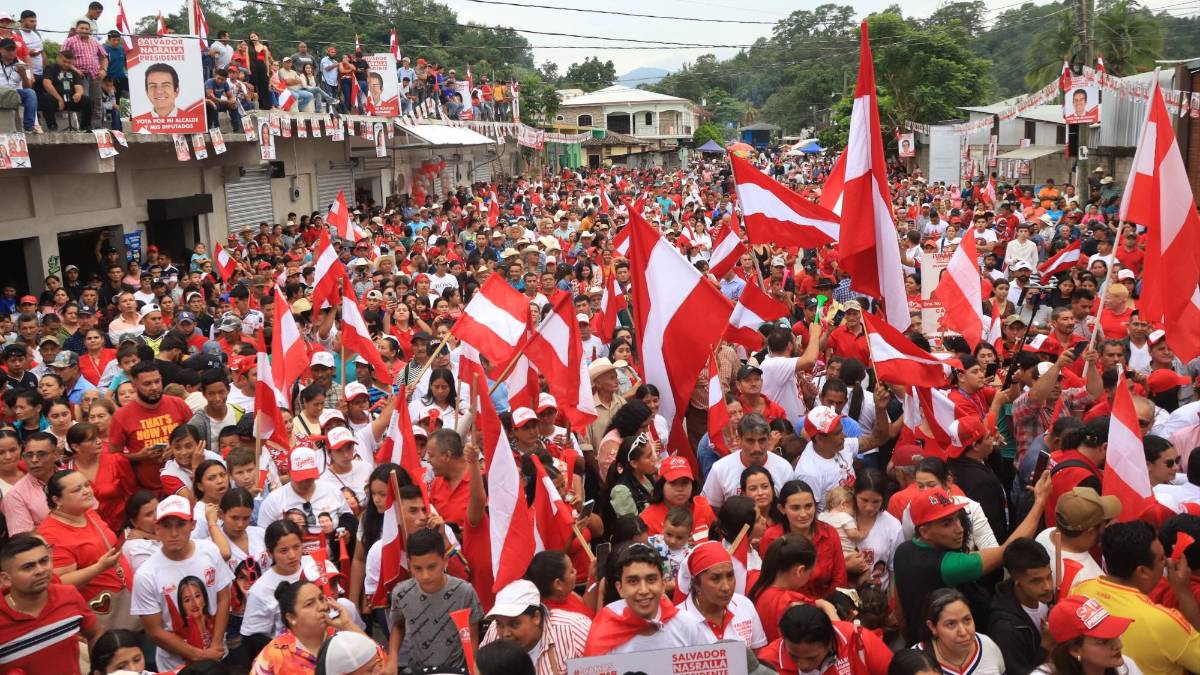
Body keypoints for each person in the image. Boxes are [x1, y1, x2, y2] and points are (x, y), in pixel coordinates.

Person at [893, 472, 1051, 646]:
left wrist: (911, 642)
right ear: (924, 531)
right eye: (947, 524)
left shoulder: (903, 550)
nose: (959, 529)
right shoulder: (948, 566)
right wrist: (1040, 501)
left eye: (957, 519)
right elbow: (1008, 550)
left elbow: (898, 605)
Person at [1072, 521, 1200, 674]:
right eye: (1161, 559)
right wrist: (1184, 592)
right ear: (1143, 572)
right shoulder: (1163, 621)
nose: (1167, 562)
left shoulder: (1079, 591)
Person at [131, 494, 233, 670]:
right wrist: (201, 655)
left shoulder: (209, 551)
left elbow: (223, 598)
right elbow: (155, 632)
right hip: (176, 666)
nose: (173, 533)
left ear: (193, 525)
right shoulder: (146, 574)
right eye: (166, 525)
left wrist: (216, 645)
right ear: (156, 528)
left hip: (217, 656)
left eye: (180, 524)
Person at [36, 469, 136, 632]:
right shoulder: (51, 534)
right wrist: (98, 568)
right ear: (57, 500)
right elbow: (59, 582)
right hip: (104, 613)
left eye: (86, 485)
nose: (86, 491)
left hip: (129, 598)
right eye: (77, 490)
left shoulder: (87, 512)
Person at [0, 534, 103, 674]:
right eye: (28, 567)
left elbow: (95, 633)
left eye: (44, 561)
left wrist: (97, 670)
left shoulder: (69, 595)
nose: (40, 570)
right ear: (6, 579)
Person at [386, 528, 484, 673]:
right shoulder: (401, 593)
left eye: (432, 567)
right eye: (418, 568)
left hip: (456, 670)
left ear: (445, 560)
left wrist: (473, 666)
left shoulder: (464, 591)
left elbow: (472, 634)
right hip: (417, 669)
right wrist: (392, 657)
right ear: (409, 564)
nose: (425, 575)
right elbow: (398, 625)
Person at [583, 543, 708, 655]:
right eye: (633, 581)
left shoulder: (687, 625)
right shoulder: (603, 634)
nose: (643, 590)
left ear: (663, 584)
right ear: (620, 588)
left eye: (651, 579)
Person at [250, 579, 370, 674]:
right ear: (291, 617)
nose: (322, 607)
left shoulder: (343, 638)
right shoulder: (274, 655)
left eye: (321, 599)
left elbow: (381, 665)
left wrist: (348, 624)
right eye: (310, 604)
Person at [109, 360, 194, 493]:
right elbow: (113, 458)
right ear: (134, 386)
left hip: (186, 485)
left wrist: (176, 449)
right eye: (147, 384)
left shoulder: (178, 404)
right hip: (147, 491)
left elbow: (196, 439)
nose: (154, 387)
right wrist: (139, 456)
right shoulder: (121, 416)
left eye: (157, 381)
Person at [480, 579, 591, 675]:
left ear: (536, 617)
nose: (505, 633)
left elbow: (604, 667)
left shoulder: (574, 630)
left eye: (514, 624)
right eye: (500, 624)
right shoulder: (494, 631)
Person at [677, 540, 767, 649]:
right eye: (715, 578)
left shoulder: (744, 605)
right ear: (696, 583)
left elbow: (759, 657)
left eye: (730, 576)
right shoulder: (678, 622)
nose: (726, 587)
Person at [756, 604, 893, 675]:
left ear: (830, 642)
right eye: (794, 656)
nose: (803, 665)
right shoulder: (766, 664)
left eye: (811, 658)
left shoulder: (857, 639)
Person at [1033, 595, 1144, 675]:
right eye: (1104, 641)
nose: (1118, 645)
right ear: (1075, 650)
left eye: (1115, 635)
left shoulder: (1126, 666)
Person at [989, 538, 1053, 675]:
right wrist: (1046, 645)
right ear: (1016, 580)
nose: (1048, 587)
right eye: (1037, 581)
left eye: (1049, 576)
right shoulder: (1006, 629)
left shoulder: (1048, 599)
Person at [703, 413, 794, 509]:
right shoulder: (720, 469)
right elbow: (711, 507)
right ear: (739, 440)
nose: (757, 448)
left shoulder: (784, 469)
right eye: (750, 441)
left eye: (762, 440)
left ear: (769, 439)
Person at [912, 588, 1007, 674]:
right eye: (951, 624)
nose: (963, 632)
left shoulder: (987, 645)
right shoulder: (915, 661)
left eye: (967, 620)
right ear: (932, 627)